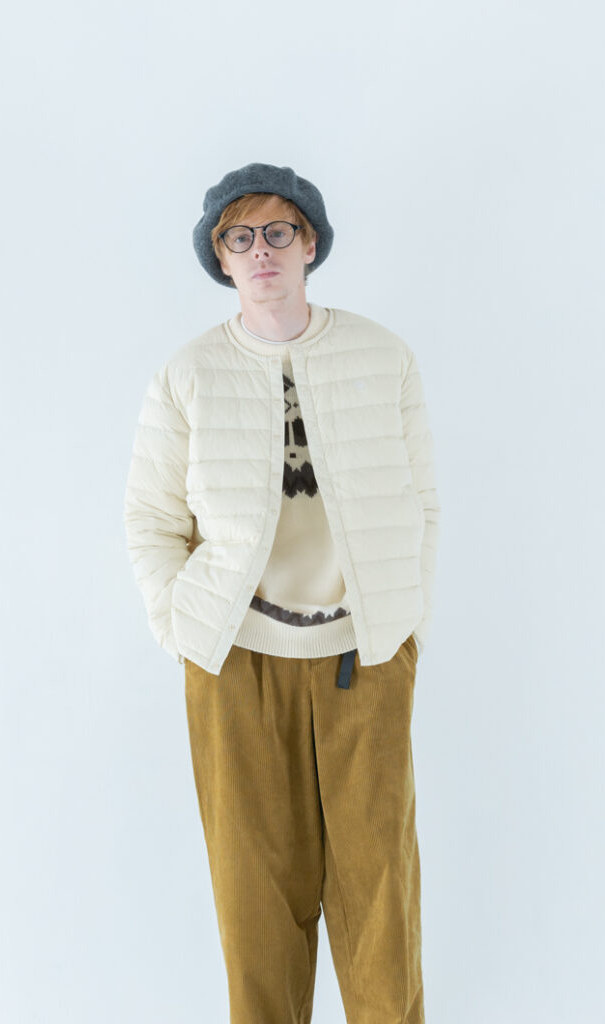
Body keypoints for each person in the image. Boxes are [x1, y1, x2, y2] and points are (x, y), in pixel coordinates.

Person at [123, 162, 440, 1023]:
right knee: (255, 901)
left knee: (381, 896)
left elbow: (422, 500)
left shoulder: (382, 356)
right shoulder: (187, 374)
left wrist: (404, 618)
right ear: (220, 257)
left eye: (277, 232)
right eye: (240, 237)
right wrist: (182, 627)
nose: (259, 250)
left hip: (364, 655)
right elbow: (151, 517)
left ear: (310, 245)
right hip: (235, 659)